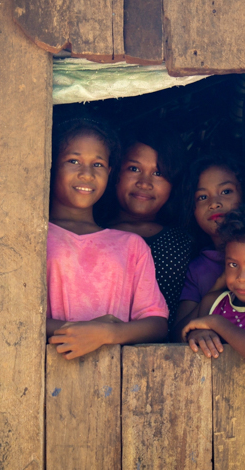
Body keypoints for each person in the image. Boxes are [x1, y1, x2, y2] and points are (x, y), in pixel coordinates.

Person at [46, 118, 169, 359]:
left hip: (115, 379)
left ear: (110, 172)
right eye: (73, 161)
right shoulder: (34, 236)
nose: (87, 174)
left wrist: (107, 334)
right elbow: (12, 317)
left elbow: (157, 324)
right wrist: (82, 333)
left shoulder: (131, 245)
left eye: (98, 164)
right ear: (50, 165)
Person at [103, 125, 193, 333]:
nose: (144, 183)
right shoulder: (91, 233)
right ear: (115, 173)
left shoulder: (186, 242)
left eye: (158, 173)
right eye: (134, 169)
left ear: (174, 183)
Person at [181, 199, 245, 367]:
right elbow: (176, 335)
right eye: (233, 264)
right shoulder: (214, 302)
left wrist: (216, 323)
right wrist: (197, 334)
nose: (242, 276)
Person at [171, 154, 245, 340]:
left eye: (226, 192)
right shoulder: (197, 269)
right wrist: (216, 289)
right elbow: (177, 334)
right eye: (202, 197)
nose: (214, 203)